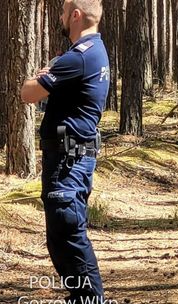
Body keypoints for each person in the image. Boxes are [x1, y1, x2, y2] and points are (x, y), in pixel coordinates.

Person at [20, 0, 109, 301]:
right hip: (70, 159)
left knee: (68, 236)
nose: (59, 17)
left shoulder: (79, 58)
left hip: (68, 163)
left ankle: (91, 299)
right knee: (62, 237)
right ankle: (82, 296)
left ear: (75, 15)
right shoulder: (92, 52)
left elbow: (28, 92)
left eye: (61, 12)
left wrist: (43, 73)